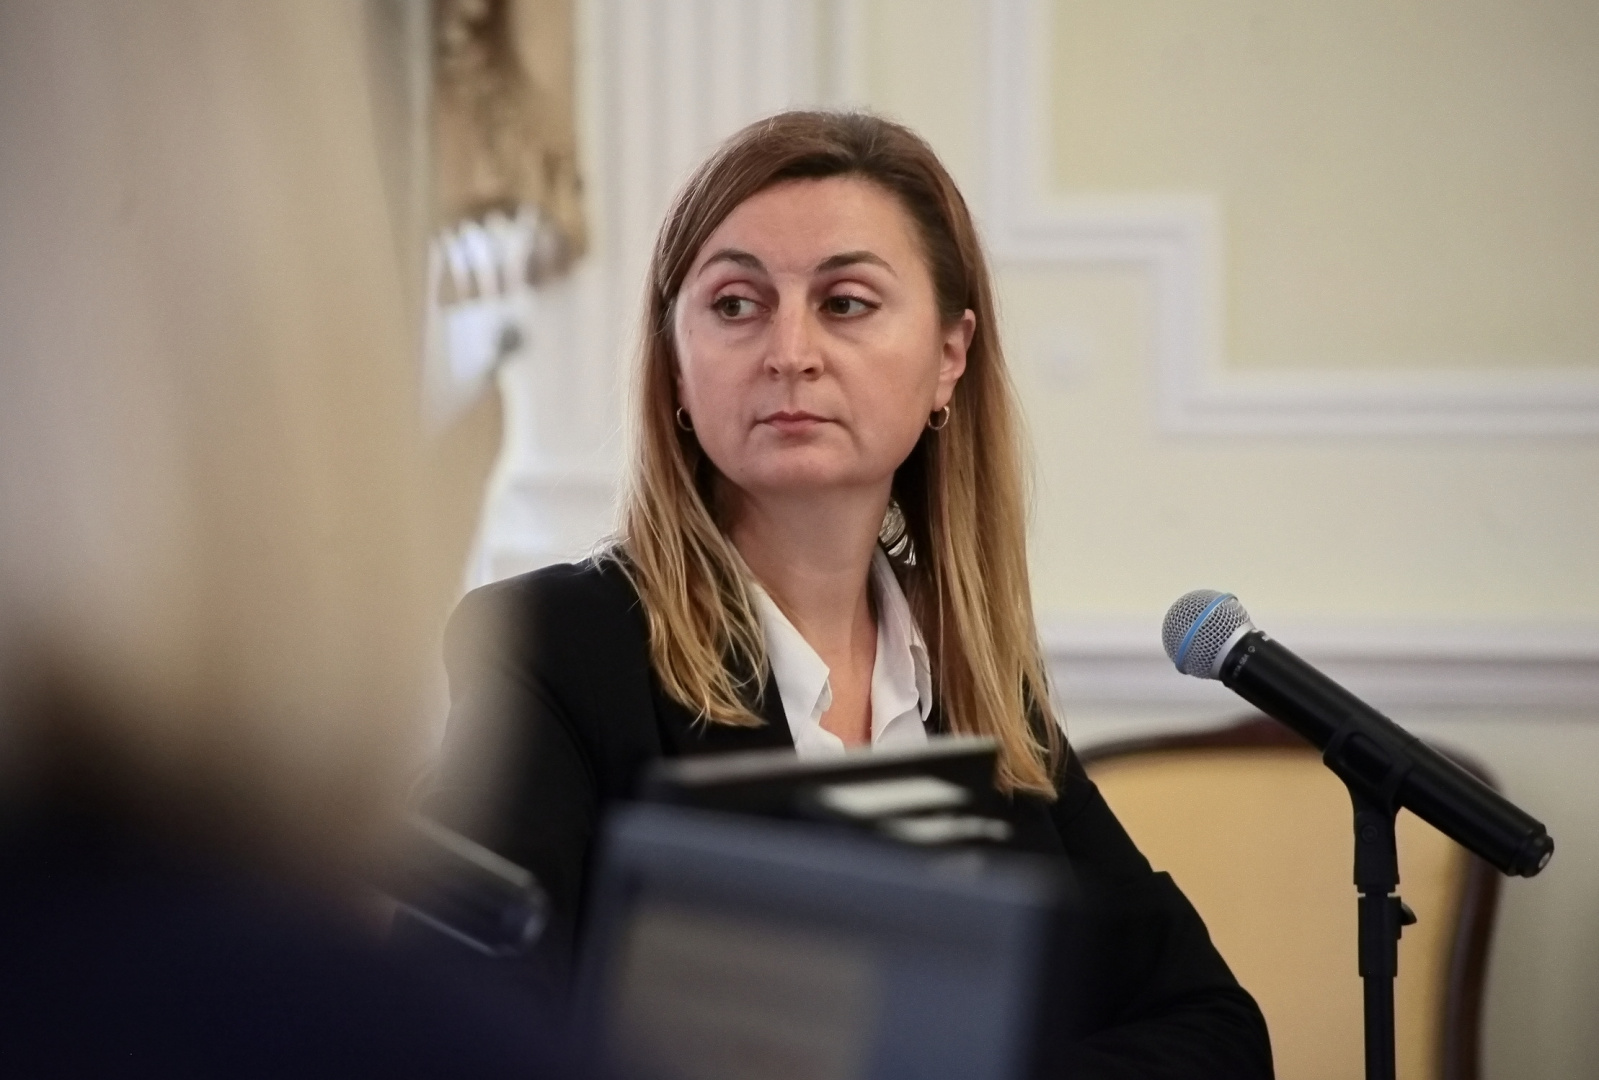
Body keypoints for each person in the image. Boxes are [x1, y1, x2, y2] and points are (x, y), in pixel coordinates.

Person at [432, 110, 1274, 1077]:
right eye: (736, 305)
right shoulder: (555, 647)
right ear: (676, 363)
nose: (789, 351)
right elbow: (456, 1029)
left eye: (844, 303)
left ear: (948, 357)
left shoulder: (975, 682)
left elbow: (1214, 1032)